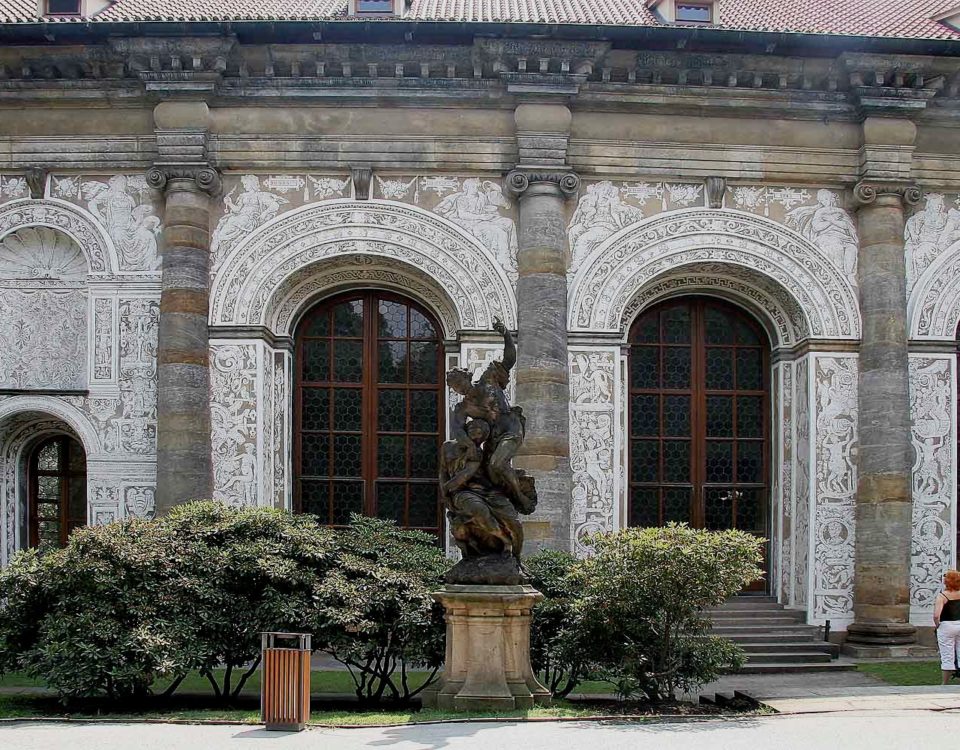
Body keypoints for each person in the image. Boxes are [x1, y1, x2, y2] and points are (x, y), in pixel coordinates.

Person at [934, 569, 960, 685]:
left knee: (947, 655)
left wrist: (937, 625)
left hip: (947, 625)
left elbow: (936, 615)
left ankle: (944, 683)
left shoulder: (942, 596)